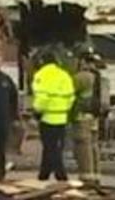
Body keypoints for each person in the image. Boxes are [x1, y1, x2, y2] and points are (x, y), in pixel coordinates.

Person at [32, 51, 76, 182]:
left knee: (50, 147)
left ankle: (60, 175)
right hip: (62, 117)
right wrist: (64, 109)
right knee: (55, 147)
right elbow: (71, 97)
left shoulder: (41, 75)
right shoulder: (64, 75)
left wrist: (37, 110)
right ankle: (43, 175)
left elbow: (42, 97)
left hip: (47, 117)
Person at [73, 51, 106, 187]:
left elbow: (70, 92)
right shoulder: (100, 78)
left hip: (82, 116)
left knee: (83, 146)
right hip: (95, 116)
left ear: (83, 62)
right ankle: (95, 175)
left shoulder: (82, 77)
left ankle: (86, 177)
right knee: (93, 146)